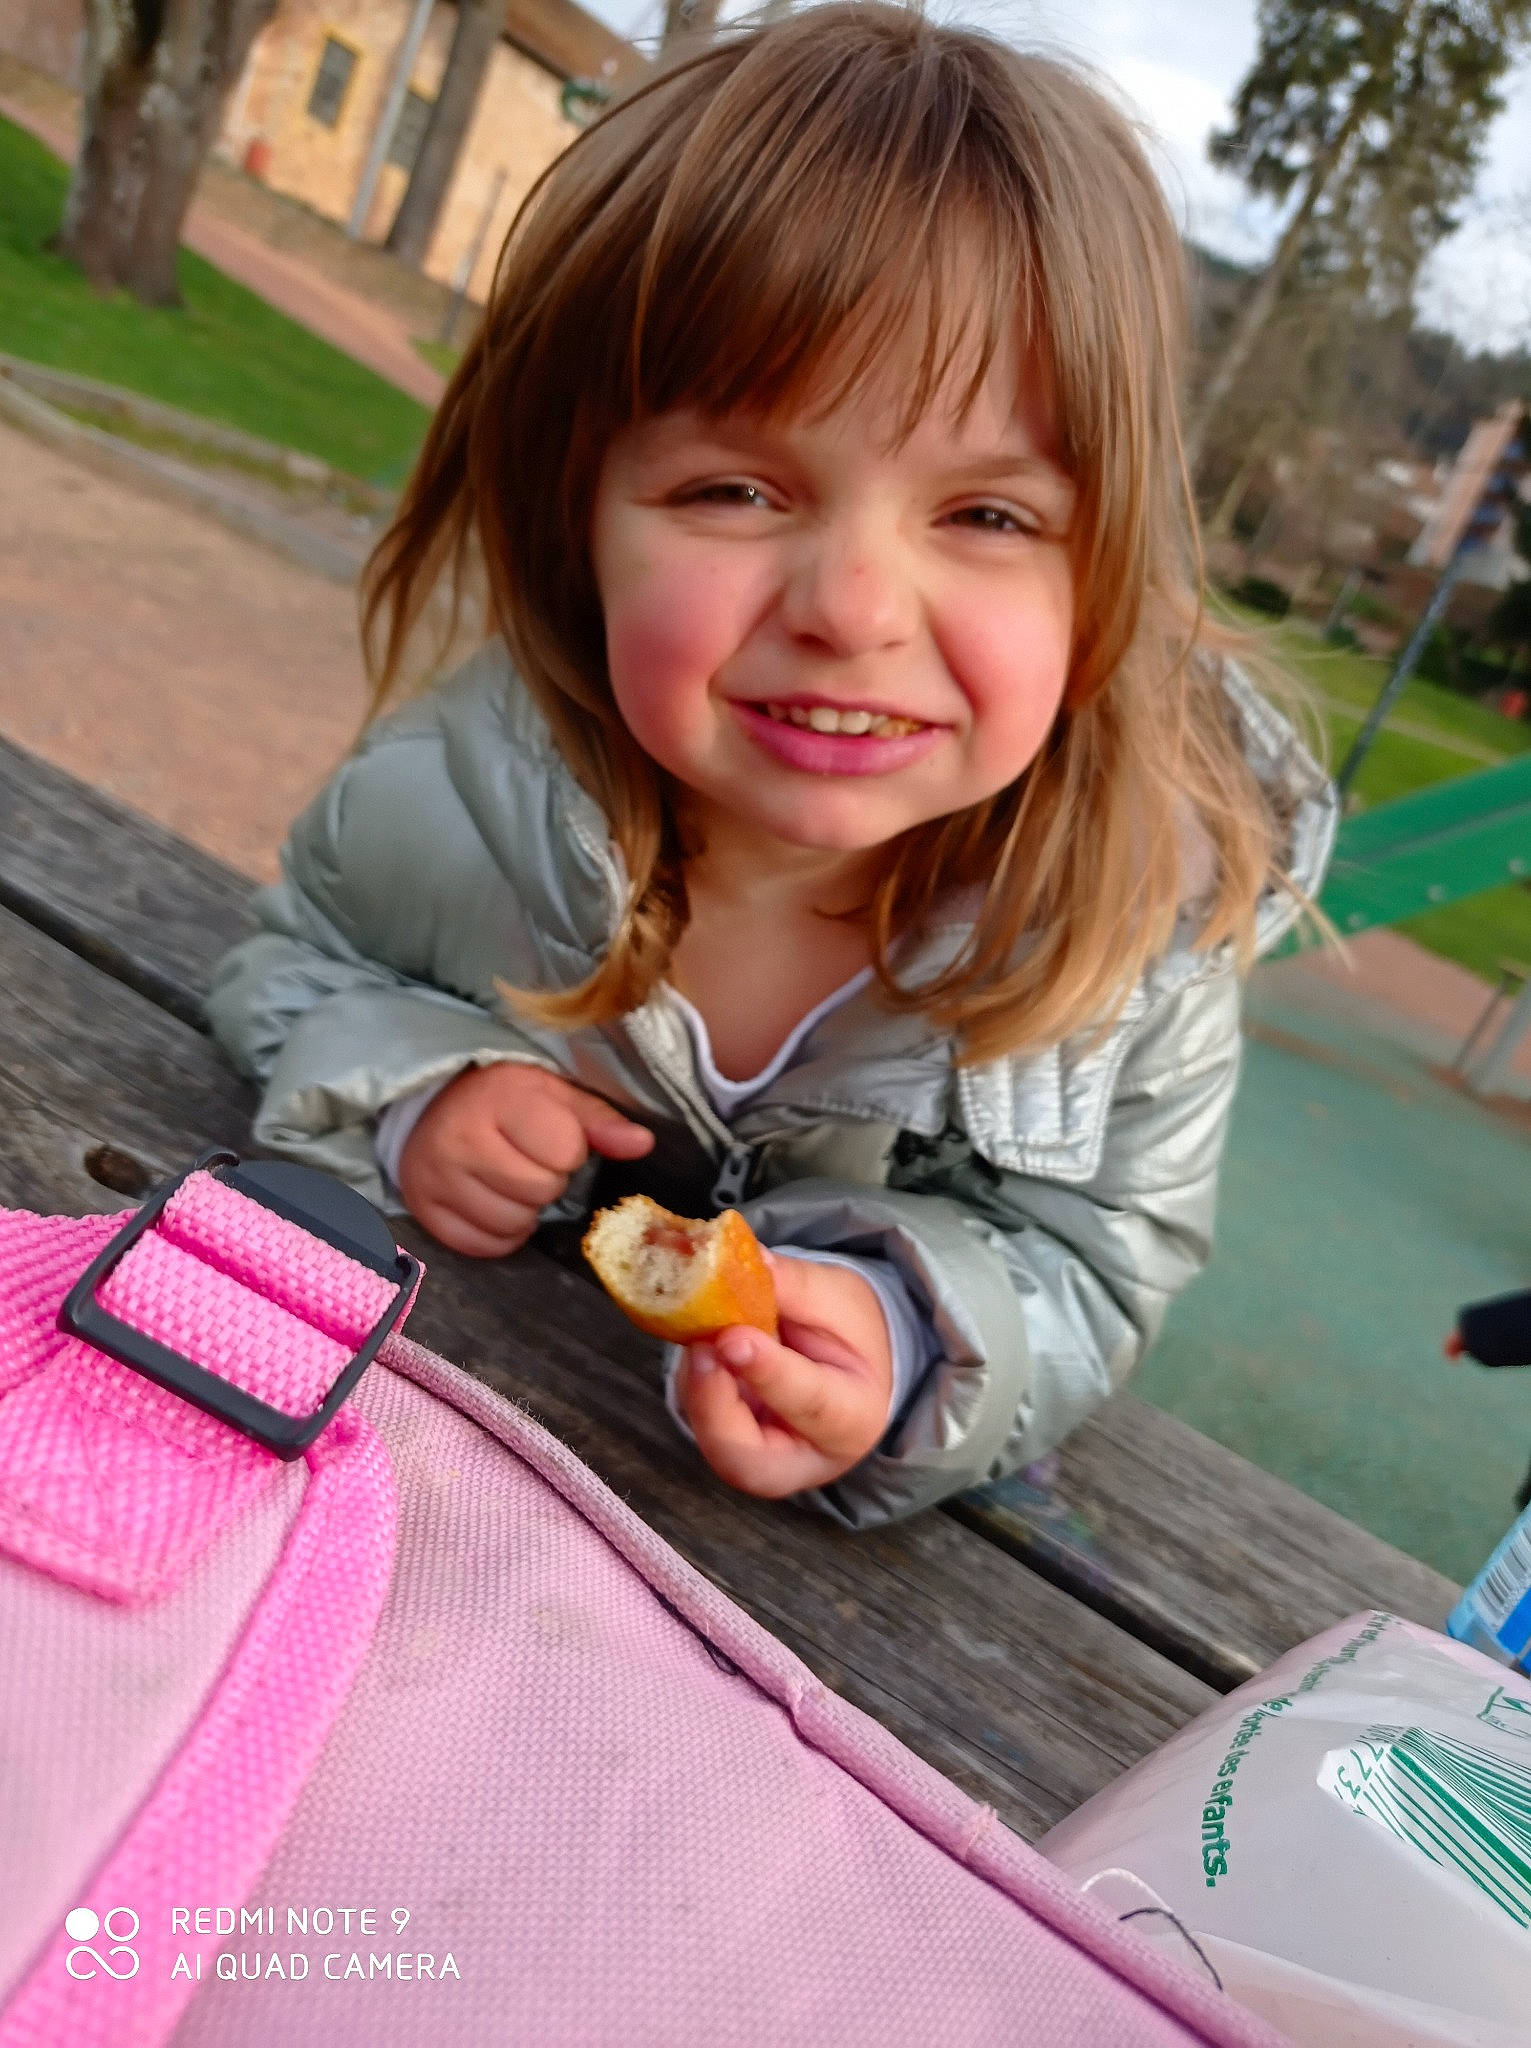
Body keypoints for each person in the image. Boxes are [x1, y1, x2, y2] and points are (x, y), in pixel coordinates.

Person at [207, 0, 1335, 1529]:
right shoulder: (455, 792)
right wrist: (412, 1088)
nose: (854, 611)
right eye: (736, 489)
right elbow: (287, 970)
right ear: (576, 520)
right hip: (388, 1469)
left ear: (1106, 563)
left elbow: (1093, 1256)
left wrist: (914, 1330)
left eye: (988, 516)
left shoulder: (1143, 934)